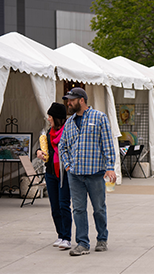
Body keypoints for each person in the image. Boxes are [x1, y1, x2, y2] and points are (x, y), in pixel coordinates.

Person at [59, 87, 116, 256]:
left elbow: (107, 144)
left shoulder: (99, 117)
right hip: (75, 175)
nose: (68, 103)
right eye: (68, 100)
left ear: (81, 100)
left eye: (71, 100)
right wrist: (68, 165)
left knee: (98, 208)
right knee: (78, 209)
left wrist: (110, 166)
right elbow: (62, 146)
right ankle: (82, 243)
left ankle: (102, 239)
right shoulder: (69, 123)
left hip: (95, 173)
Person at [36, 102, 72, 250]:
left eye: (50, 116)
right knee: (54, 206)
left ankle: (67, 237)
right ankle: (60, 234)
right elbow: (47, 151)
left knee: (64, 205)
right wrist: (39, 152)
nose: (48, 119)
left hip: (64, 173)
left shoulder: (68, 132)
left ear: (57, 118)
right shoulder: (48, 133)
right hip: (50, 172)